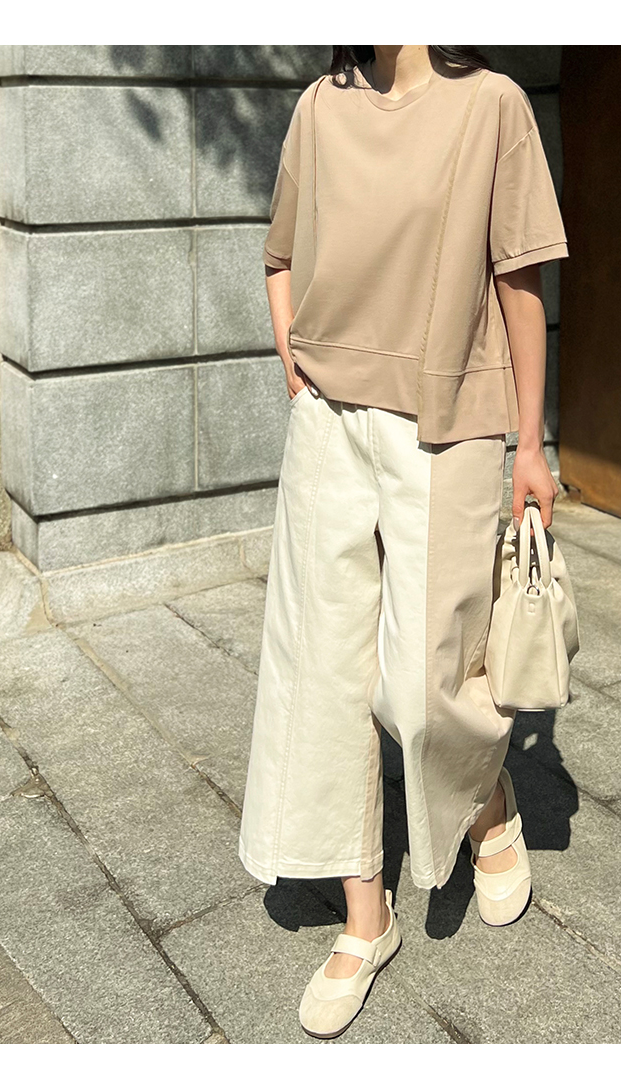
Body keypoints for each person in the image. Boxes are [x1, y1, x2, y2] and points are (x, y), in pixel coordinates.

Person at [238, 44, 568, 1039]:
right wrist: (294, 361)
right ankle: (364, 913)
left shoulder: (493, 106)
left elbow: (520, 281)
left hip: (450, 421)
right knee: (324, 674)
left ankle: (484, 796)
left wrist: (530, 443)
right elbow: (281, 254)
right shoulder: (319, 109)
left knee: (425, 688)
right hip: (329, 421)